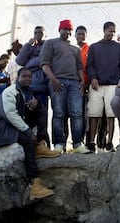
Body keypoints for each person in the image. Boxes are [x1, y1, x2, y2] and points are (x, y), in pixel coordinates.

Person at [0, 67, 59, 200]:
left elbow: (28, 112)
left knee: (41, 108)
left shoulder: (27, 93)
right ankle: (34, 184)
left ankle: (40, 144)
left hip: (16, 127)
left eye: (30, 77)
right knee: (28, 141)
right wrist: (27, 131)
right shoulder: (10, 92)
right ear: (18, 78)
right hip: (5, 130)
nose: (28, 79)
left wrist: (36, 101)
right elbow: (10, 114)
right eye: (25, 76)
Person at [39, 19, 90, 154]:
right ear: (59, 29)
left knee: (77, 113)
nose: (67, 32)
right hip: (57, 81)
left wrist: (82, 80)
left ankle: (78, 143)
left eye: (69, 30)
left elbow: (79, 67)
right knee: (58, 113)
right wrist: (53, 80)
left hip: (74, 83)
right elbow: (44, 64)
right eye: (64, 29)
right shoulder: (50, 43)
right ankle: (59, 144)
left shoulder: (75, 48)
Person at [86, 21, 120, 152]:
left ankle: (110, 142)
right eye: (110, 31)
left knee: (112, 115)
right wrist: (93, 78)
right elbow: (90, 65)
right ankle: (92, 142)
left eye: (113, 31)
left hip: (113, 84)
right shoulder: (94, 47)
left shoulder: (119, 48)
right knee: (94, 114)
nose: (112, 33)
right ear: (104, 30)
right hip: (96, 85)